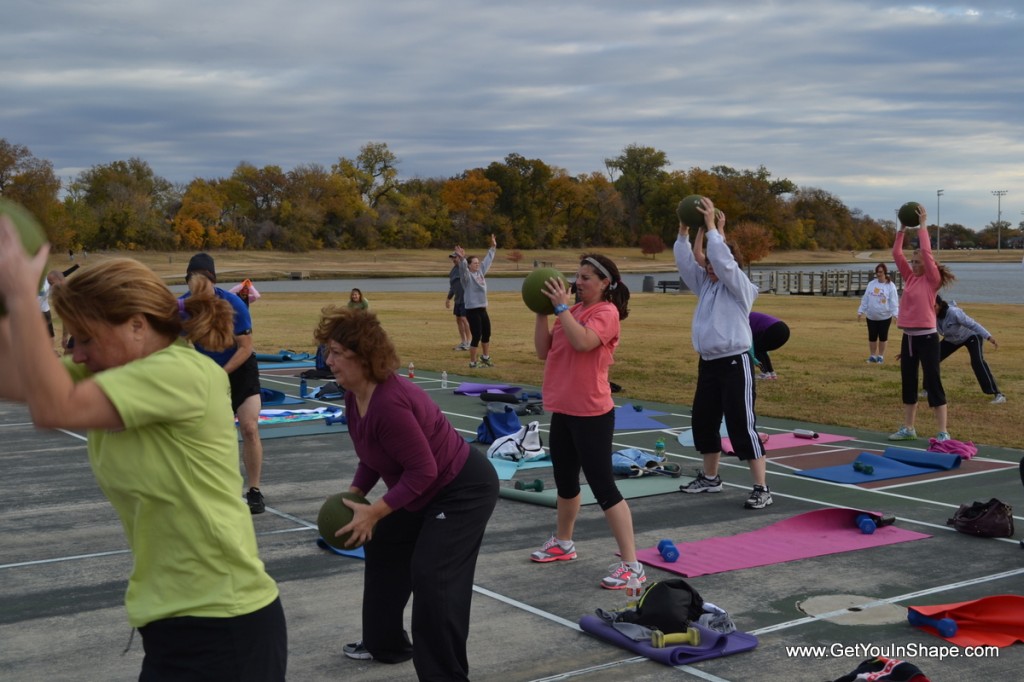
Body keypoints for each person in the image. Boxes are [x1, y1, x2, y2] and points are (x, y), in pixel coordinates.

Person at [0, 222, 287, 679]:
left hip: (223, 626)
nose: (76, 354)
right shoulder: (109, 369)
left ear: (137, 324)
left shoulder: (182, 373)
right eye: (71, 339)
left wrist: (20, 295)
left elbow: (52, 406)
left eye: (86, 338)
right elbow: (18, 379)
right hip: (175, 624)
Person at [315, 307, 498, 681]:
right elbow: (371, 456)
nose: (328, 360)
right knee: (383, 545)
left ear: (362, 356)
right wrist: (353, 498)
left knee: (433, 576)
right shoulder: (354, 396)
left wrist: (376, 511)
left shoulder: (389, 403)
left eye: (335, 352)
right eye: (327, 351)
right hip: (425, 491)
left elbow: (423, 469)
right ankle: (385, 644)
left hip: (462, 490)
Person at [528, 254, 645, 589]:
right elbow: (542, 351)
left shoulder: (605, 313)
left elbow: (583, 343)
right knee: (565, 482)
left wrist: (562, 309)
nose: (577, 283)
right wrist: (541, 311)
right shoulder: (574, 312)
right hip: (563, 409)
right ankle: (564, 543)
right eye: (577, 276)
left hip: (592, 412)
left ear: (605, 283)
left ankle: (632, 565)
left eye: (586, 278)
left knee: (604, 487)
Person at [674, 197, 772, 509]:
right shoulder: (707, 285)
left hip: (735, 364)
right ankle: (711, 478)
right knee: (703, 422)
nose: (708, 266)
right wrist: (687, 231)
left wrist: (715, 228)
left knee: (742, 425)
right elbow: (689, 261)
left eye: (715, 264)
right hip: (709, 365)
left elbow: (721, 259)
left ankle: (761, 488)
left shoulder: (741, 287)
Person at [182, 253, 267, 513]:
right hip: (206, 372)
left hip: (239, 368)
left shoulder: (233, 305)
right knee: (205, 433)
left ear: (213, 281)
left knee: (249, 427)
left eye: (203, 282)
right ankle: (208, 488)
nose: (198, 289)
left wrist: (222, 373)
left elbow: (245, 347)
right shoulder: (182, 307)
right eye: (192, 282)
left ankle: (254, 490)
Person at [888, 205, 956, 442]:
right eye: (913, 261)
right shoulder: (909, 278)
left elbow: (926, 252)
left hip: (927, 337)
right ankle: (909, 428)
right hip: (908, 337)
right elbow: (896, 254)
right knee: (908, 382)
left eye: (917, 261)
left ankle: (943, 431)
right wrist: (902, 229)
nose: (913, 264)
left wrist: (923, 225)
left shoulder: (931, 281)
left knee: (933, 381)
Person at [934, 295, 1005, 404]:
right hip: (952, 340)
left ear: (939, 305)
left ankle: (998, 394)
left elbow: (973, 324)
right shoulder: (931, 315)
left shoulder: (954, 313)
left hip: (971, 336)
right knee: (932, 359)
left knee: (977, 362)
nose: (930, 308)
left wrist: (988, 337)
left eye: (933, 306)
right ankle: (928, 389)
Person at [453, 234, 497, 368]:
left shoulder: (480, 273)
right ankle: (472, 362)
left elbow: (488, 260)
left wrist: (493, 247)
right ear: (469, 265)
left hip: (483, 309)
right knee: (476, 335)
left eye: (478, 263)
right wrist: (462, 258)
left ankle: (485, 357)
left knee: (487, 333)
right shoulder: (466, 277)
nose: (477, 264)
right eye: (475, 263)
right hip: (472, 310)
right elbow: (463, 269)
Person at [857, 263, 900, 363]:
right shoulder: (871, 284)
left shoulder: (890, 286)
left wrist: (895, 314)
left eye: (880, 272)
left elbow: (893, 302)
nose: (878, 274)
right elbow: (866, 298)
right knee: (872, 337)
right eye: (877, 272)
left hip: (884, 317)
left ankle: (880, 356)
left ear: (885, 272)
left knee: (883, 337)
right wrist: (861, 311)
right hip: (871, 316)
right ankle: (872, 355)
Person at [748, 311, 790, 380]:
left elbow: (751, 345)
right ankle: (771, 373)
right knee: (761, 349)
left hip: (774, 328)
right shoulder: (747, 315)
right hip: (783, 328)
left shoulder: (743, 320)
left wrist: (754, 360)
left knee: (758, 349)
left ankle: (765, 373)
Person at [445, 252, 471, 350]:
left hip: (466, 299)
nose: (454, 259)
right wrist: (448, 299)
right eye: (453, 258)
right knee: (458, 320)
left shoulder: (464, 269)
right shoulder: (452, 272)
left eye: (455, 257)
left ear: (460, 258)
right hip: (458, 300)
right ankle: (463, 341)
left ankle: (469, 342)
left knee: (464, 319)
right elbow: (452, 287)